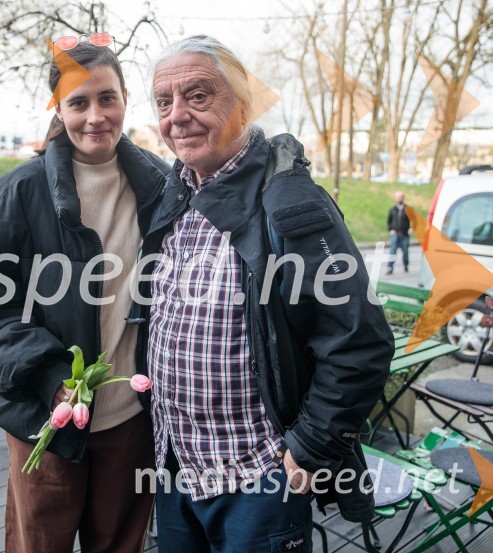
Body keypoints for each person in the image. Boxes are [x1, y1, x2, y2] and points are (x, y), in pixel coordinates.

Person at [136, 35, 394, 551]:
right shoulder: (175, 194)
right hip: (176, 468)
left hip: (258, 478)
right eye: (164, 102)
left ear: (243, 104)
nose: (177, 116)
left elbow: (359, 341)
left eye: (198, 95)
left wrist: (309, 448)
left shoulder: (291, 205)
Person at [0, 40, 169, 552]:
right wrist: (50, 378)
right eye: (78, 102)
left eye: (107, 99)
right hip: (44, 422)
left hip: (131, 423)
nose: (95, 116)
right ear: (59, 109)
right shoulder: (7, 203)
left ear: (125, 99)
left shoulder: (163, 188)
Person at [387, 191, 412, 274]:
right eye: (397, 197)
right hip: (395, 234)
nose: (398, 199)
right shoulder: (392, 209)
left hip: (404, 234)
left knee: (405, 251)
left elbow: (414, 221)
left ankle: (406, 265)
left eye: (400, 197)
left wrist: (411, 228)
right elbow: (389, 221)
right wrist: (390, 229)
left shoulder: (407, 209)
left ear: (403, 198)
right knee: (392, 251)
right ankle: (390, 268)